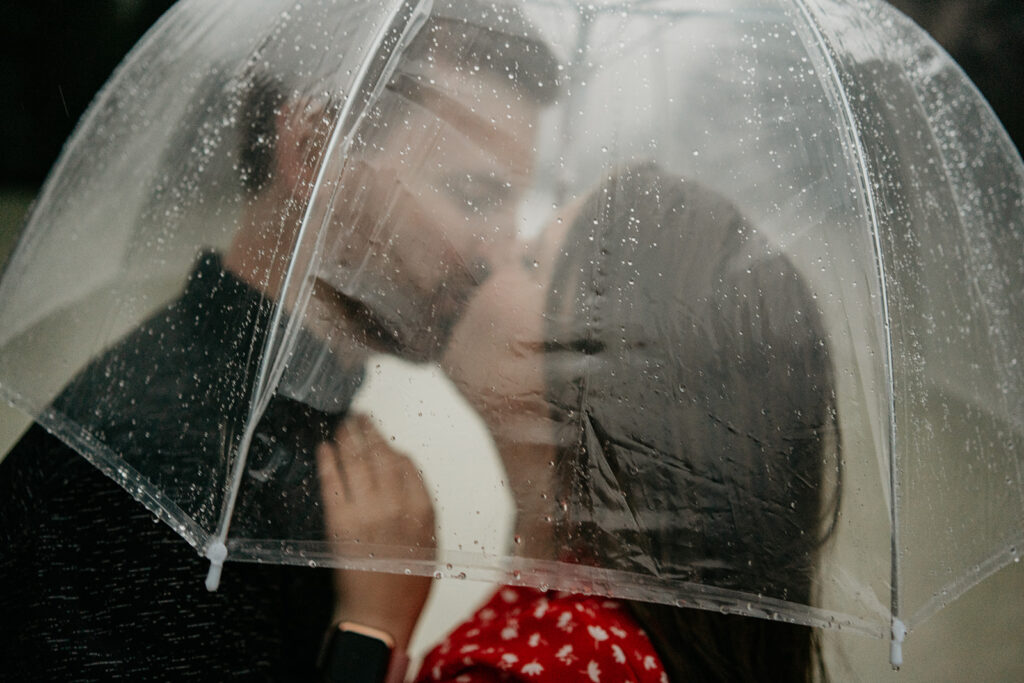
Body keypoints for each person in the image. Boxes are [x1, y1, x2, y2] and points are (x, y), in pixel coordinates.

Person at [0, 2, 558, 679]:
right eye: (473, 195)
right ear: (313, 152)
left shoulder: (276, 429)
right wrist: (368, 633)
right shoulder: (167, 460)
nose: (499, 251)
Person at [319, 163, 840, 682]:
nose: (489, 255)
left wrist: (373, 627)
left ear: (611, 378)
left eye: (529, 261)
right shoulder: (588, 626)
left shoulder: (555, 662)